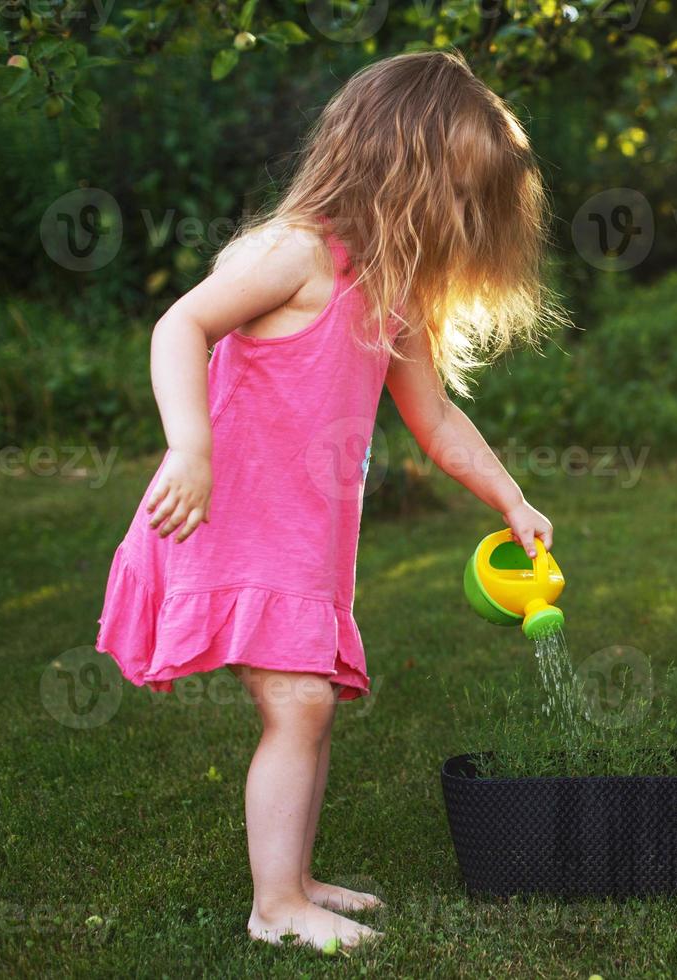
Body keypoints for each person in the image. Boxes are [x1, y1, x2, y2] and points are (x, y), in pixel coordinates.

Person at [95, 51, 558, 951]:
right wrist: (189, 447)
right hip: (226, 518)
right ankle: (275, 909)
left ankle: (296, 878)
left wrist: (509, 494)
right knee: (297, 703)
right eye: (455, 193)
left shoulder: (396, 289)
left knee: (309, 706)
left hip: (303, 539)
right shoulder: (297, 253)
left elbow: (436, 418)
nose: (464, 219)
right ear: (393, 163)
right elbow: (178, 324)